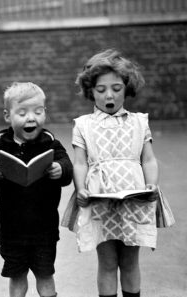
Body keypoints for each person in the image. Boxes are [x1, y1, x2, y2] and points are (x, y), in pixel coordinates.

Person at [67, 49, 159, 297]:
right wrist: (81, 188)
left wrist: (152, 184)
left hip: (134, 200)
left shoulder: (140, 122)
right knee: (107, 263)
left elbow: (148, 158)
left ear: (127, 88)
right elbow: (80, 163)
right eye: (101, 89)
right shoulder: (83, 124)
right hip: (101, 200)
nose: (109, 95)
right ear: (91, 91)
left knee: (130, 262)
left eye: (116, 88)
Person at [0, 82, 73, 297]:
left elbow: (67, 167)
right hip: (12, 230)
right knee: (17, 276)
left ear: (44, 113)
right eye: (22, 113)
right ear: (7, 116)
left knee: (45, 276)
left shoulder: (51, 145)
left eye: (38, 112)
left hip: (44, 230)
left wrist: (60, 169)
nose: (31, 118)